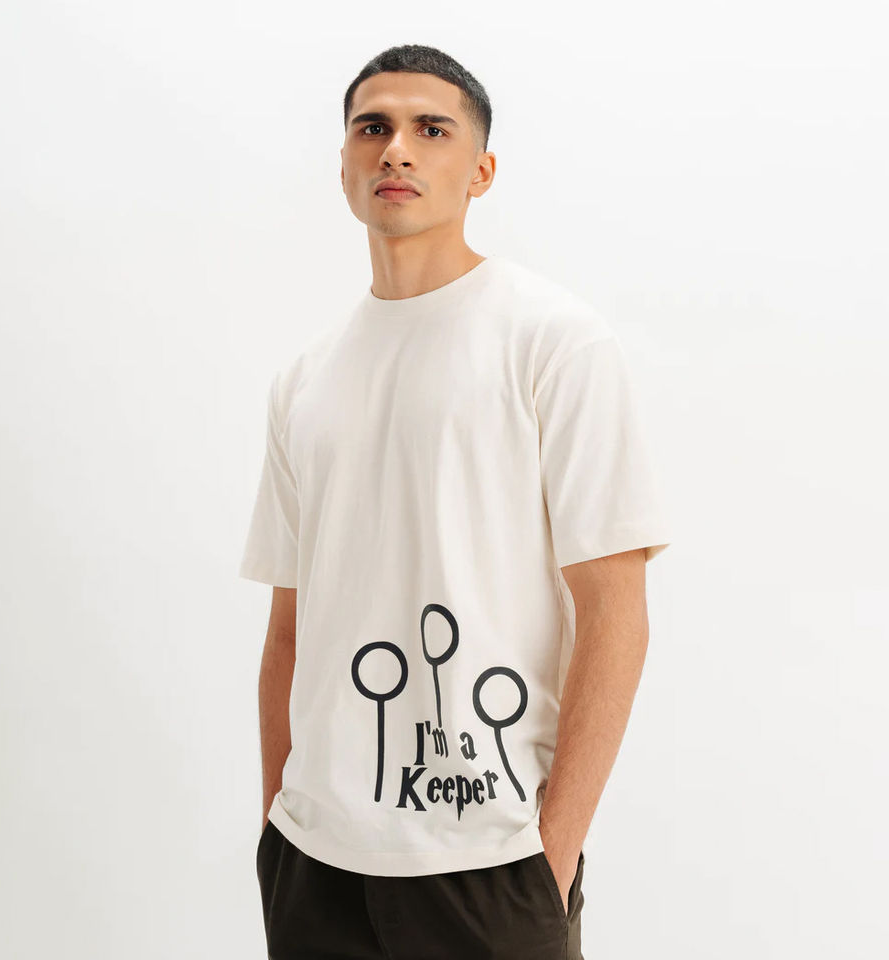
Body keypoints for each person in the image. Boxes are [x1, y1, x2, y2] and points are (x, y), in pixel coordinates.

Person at [239, 43, 672, 960]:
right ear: (345, 166)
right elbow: (288, 632)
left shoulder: (554, 343)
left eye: (430, 129)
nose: (396, 148)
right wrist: (277, 827)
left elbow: (615, 611)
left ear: (480, 170)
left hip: (491, 860)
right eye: (373, 128)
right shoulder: (305, 381)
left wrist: (549, 860)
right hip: (315, 866)